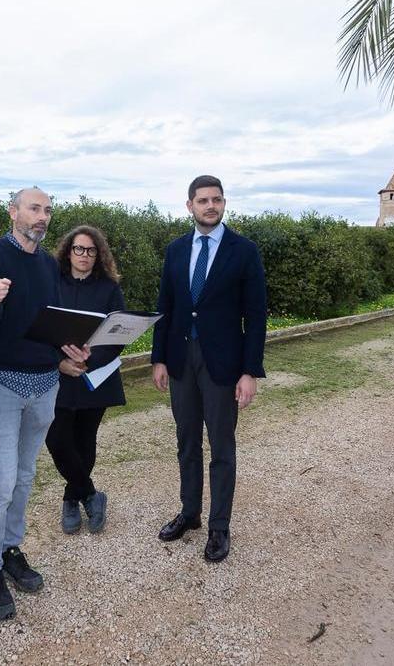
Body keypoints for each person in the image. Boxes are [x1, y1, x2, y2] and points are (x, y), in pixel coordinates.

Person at [0, 187, 90, 621]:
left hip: (45, 384)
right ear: (13, 212)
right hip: (0, 383)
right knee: (0, 482)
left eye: (48, 211)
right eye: (35, 208)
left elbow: (48, 326)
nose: (43, 217)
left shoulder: (46, 265)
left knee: (24, 475)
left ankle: (9, 549)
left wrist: (70, 352)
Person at [151, 174, 267, 564]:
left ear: (223, 203)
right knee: (186, 442)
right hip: (182, 359)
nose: (210, 206)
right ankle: (190, 513)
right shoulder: (176, 250)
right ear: (190, 206)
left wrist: (249, 371)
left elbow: (256, 315)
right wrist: (159, 358)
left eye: (217, 199)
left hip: (223, 364)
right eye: (203, 200)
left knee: (221, 447)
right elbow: (165, 306)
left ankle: (219, 525)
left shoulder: (244, 250)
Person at [45, 225, 127, 535]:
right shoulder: (51, 283)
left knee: (84, 440)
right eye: (78, 249)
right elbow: (39, 328)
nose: (84, 255)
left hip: (96, 376)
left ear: (99, 255)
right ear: (68, 252)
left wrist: (88, 359)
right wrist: (60, 362)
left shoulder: (108, 288)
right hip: (59, 377)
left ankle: (70, 497)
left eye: (91, 251)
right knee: (57, 440)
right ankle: (90, 493)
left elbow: (118, 334)